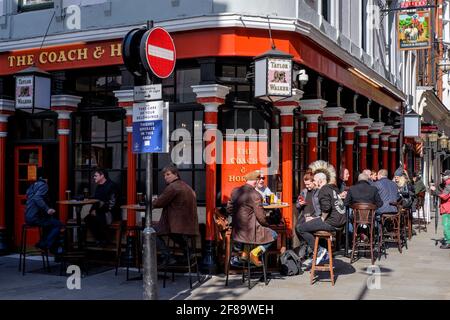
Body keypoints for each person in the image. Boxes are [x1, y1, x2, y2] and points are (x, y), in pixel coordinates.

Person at [296, 161, 347, 266]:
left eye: (314, 180)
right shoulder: (332, 188)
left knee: (300, 228)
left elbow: (326, 208)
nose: (314, 182)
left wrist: (321, 218)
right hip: (340, 222)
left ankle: (320, 251)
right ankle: (319, 252)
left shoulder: (323, 190)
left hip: (332, 222)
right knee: (304, 225)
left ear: (320, 181)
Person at [226, 170, 277, 267]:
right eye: (258, 179)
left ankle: (244, 256)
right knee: (274, 234)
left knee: (249, 236)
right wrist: (268, 224)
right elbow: (261, 217)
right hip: (249, 232)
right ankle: (255, 253)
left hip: (237, 231)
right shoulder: (255, 195)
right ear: (255, 181)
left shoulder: (235, 191)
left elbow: (229, 210)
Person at [153, 165, 200, 266]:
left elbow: (158, 203)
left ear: (176, 174)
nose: (165, 177)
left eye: (168, 174)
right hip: (188, 225)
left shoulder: (173, 187)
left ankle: (168, 257)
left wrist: (149, 202)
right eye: (164, 175)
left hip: (178, 225)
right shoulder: (186, 186)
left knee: (151, 232)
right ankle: (189, 252)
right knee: (172, 234)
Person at [25, 167, 62, 253]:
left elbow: (28, 195)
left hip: (28, 217)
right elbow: (37, 198)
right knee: (58, 224)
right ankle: (44, 245)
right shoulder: (43, 184)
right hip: (35, 218)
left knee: (50, 222)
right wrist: (47, 209)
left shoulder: (33, 185)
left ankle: (42, 243)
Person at [84, 168, 121, 246]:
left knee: (98, 218)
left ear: (102, 176)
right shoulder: (98, 187)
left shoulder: (112, 186)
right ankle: (99, 239)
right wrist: (93, 210)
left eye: (96, 175)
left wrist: (97, 210)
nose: (94, 177)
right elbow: (95, 201)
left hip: (110, 212)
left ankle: (104, 240)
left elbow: (112, 204)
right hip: (100, 211)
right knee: (87, 219)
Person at [295, 171, 321, 261]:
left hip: (314, 216)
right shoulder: (304, 192)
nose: (307, 186)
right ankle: (305, 244)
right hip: (304, 215)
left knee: (304, 228)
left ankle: (314, 249)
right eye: (305, 184)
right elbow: (297, 205)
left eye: (309, 184)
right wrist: (300, 203)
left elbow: (322, 207)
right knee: (297, 227)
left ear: (314, 181)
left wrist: (315, 217)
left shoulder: (318, 192)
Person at [433, 170, 450, 249]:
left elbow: (444, 196)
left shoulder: (448, 184)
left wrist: (434, 191)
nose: (442, 177)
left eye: (444, 175)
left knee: (446, 225)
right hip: (447, 207)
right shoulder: (446, 184)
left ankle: (448, 242)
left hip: (447, 207)